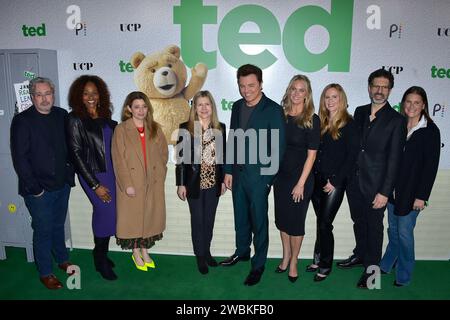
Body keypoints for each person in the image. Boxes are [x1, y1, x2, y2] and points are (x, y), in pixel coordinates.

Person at [337, 69, 407, 289]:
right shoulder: (359, 112)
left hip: (377, 187)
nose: (379, 91)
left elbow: (395, 160)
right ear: (369, 88)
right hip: (354, 182)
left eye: (384, 87)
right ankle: (360, 255)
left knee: (375, 228)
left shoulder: (396, 120)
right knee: (359, 222)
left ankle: (372, 273)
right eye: (376, 86)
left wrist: (385, 192)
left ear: (390, 90)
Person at [219, 64, 286, 286]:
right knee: (240, 218)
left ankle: (258, 266)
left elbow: (277, 149)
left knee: (259, 223)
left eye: (251, 85)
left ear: (261, 84)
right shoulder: (237, 107)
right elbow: (232, 139)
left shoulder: (273, 110)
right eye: (242, 86)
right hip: (237, 175)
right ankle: (242, 251)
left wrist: (267, 181)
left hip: (259, 178)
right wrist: (228, 170)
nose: (246, 90)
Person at [10, 77, 75, 290]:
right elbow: (20, 158)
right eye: (39, 94)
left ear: (53, 93)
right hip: (39, 191)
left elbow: (69, 147)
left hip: (61, 185)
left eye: (48, 93)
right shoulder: (22, 120)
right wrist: (35, 189)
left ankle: (62, 259)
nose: (44, 98)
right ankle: (46, 272)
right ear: (32, 96)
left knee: (58, 225)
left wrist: (68, 176)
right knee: (43, 230)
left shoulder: (61, 115)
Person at [380, 86, 440, 287]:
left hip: (413, 194)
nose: (412, 106)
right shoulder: (398, 125)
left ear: (423, 105)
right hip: (392, 192)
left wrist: (422, 196)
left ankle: (404, 275)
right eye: (408, 101)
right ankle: (387, 263)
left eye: (416, 102)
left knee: (405, 235)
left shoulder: (430, 131)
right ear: (403, 103)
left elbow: (430, 167)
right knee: (393, 231)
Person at [66, 75, 118, 280]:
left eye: (94, 93)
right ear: (79, 96)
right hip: (94, 175)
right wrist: (95, 185)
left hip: (112, 173)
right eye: (86, 93)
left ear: (100, 95)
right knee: (104, 212)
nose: (90, 97)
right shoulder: (74, 119)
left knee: (111, 213)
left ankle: (101, 252)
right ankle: (100, 258)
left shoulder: (106, 116)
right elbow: (75, 154)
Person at [306, 84, 358, 281]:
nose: (330, 100)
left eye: (334, 97)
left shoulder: (350, 124)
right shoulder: (321, 122)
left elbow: (351, 157)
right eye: (327, 97)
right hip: (317, 180)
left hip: (335, 183)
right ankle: (318, 258)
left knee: (326, 223)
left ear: (341, 99)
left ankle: (325, 265)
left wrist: (335, 181)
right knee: (321, 222)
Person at [112, 91, 168, 272]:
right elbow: (118, 159)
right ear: (129, 108)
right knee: (134, 219)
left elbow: (163, 155)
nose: (141, 110)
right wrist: (126, 183)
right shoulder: (121, 130)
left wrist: (160, 174)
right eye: (137, 107)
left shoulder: (155, 128)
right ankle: (135, 252)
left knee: (149, 218)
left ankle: (145, 250)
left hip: (152, 182)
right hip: (131, 184)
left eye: (144, 107)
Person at [273, 75, 320, 283]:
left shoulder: (312, 119)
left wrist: (300, 183)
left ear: (307, 94)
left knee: (296, 223)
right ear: (288, 90)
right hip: (280, 178)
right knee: (283, 221)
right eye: (293, 88)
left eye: (301, 90)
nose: (296, 93)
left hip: (301, 179)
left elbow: (312, 154)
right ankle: (285, 257)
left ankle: (294, 262)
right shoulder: (281, 115)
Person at [175, 90, 227, 275]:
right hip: (193, 183)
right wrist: (181, 183)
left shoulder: (220, 127)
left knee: (209, 220)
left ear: (212, 107)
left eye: (207, 104)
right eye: (200, 104)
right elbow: (181, 159)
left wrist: (222, 181)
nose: (204, 108)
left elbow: (222, 157)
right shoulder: (185, 128)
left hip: (213, 183)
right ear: (194, 108)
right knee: (197, 221)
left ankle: (207, 252)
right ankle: (199, 256)